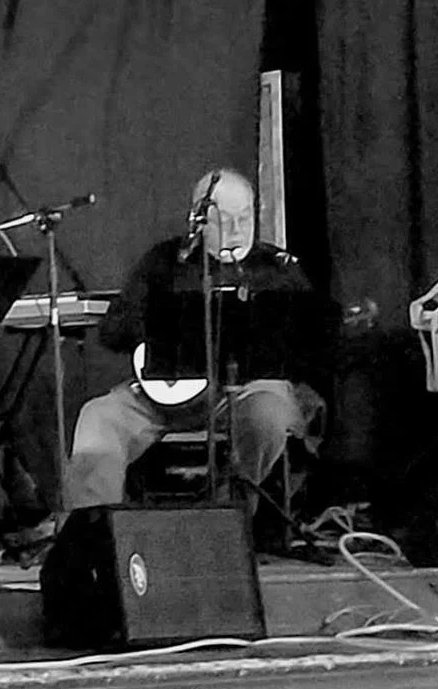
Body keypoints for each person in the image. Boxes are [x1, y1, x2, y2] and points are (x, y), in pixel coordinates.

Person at [62, 169, 322, 513]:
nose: (236, 229)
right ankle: (93, 527)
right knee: (98, 416)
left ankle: (229, 517)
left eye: (245, 217)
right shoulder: (165, 261)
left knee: (267, 416)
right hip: (166, 393)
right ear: (197, 221)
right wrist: (156, 323)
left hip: (244, 392)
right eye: (223, 220)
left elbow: (308, 345)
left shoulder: (278, 269)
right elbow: (113, 332)